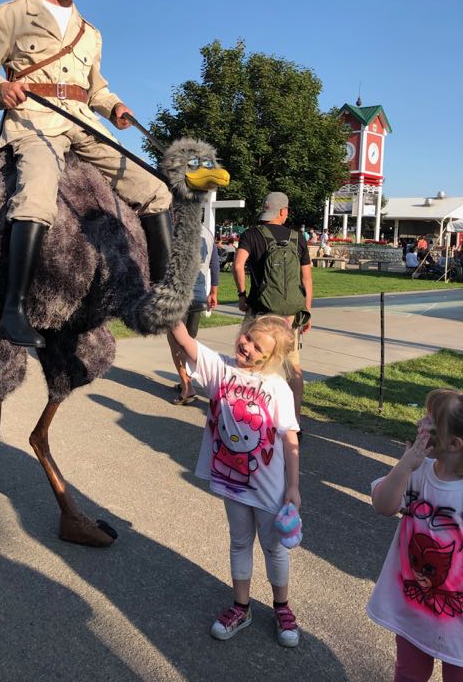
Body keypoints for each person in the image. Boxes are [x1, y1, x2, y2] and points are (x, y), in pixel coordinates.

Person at [0, 0, 172, 349]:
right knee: (38, 191)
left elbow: (95, 89)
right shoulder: (14, 13)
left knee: (157, 189)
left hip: (82, 121)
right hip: (35, 117)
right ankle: (14, 309)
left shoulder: (89, 33)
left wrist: (115, 107)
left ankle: (163, 292)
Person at [169, 314, 301, 646]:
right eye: (248, 337)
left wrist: (294, 487)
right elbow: (185, 340)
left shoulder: (278, 388)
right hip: (233, 483)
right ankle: (241, 607)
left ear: (270, 358)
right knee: (240, 542)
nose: (248, 346)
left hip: (270, 489)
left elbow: (290, 439)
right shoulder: (221, 371)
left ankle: (282, 607)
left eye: (258, 346)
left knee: (273, 547)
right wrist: (169, 305)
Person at [367, 389, 463, 680]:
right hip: (414, 609)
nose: (420, 422)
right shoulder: (418, 471)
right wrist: (403, 468)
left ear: (454, 443)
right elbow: (383, 506)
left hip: (457, 621)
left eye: (430, 421)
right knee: (408, 674)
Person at [233, 192, 312, 429]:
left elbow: (238, 264)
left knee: (252, 361)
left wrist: (242, 295)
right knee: (292, 367)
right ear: (283, 212)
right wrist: (306, 310)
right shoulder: (298, 237)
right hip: (290, 315)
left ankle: (252, 415)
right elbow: (306, 277)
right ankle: (294, 422)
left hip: (260, 311)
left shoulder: (251, 234)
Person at [167, 224, 219, 405]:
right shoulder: (208, 233)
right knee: (190, 342)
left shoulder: (173, 229)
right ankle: (186, 379)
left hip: (178, 296)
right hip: (199, 294)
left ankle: (187, 387)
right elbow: (214, 264)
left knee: (176, 343)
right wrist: (214, 291)